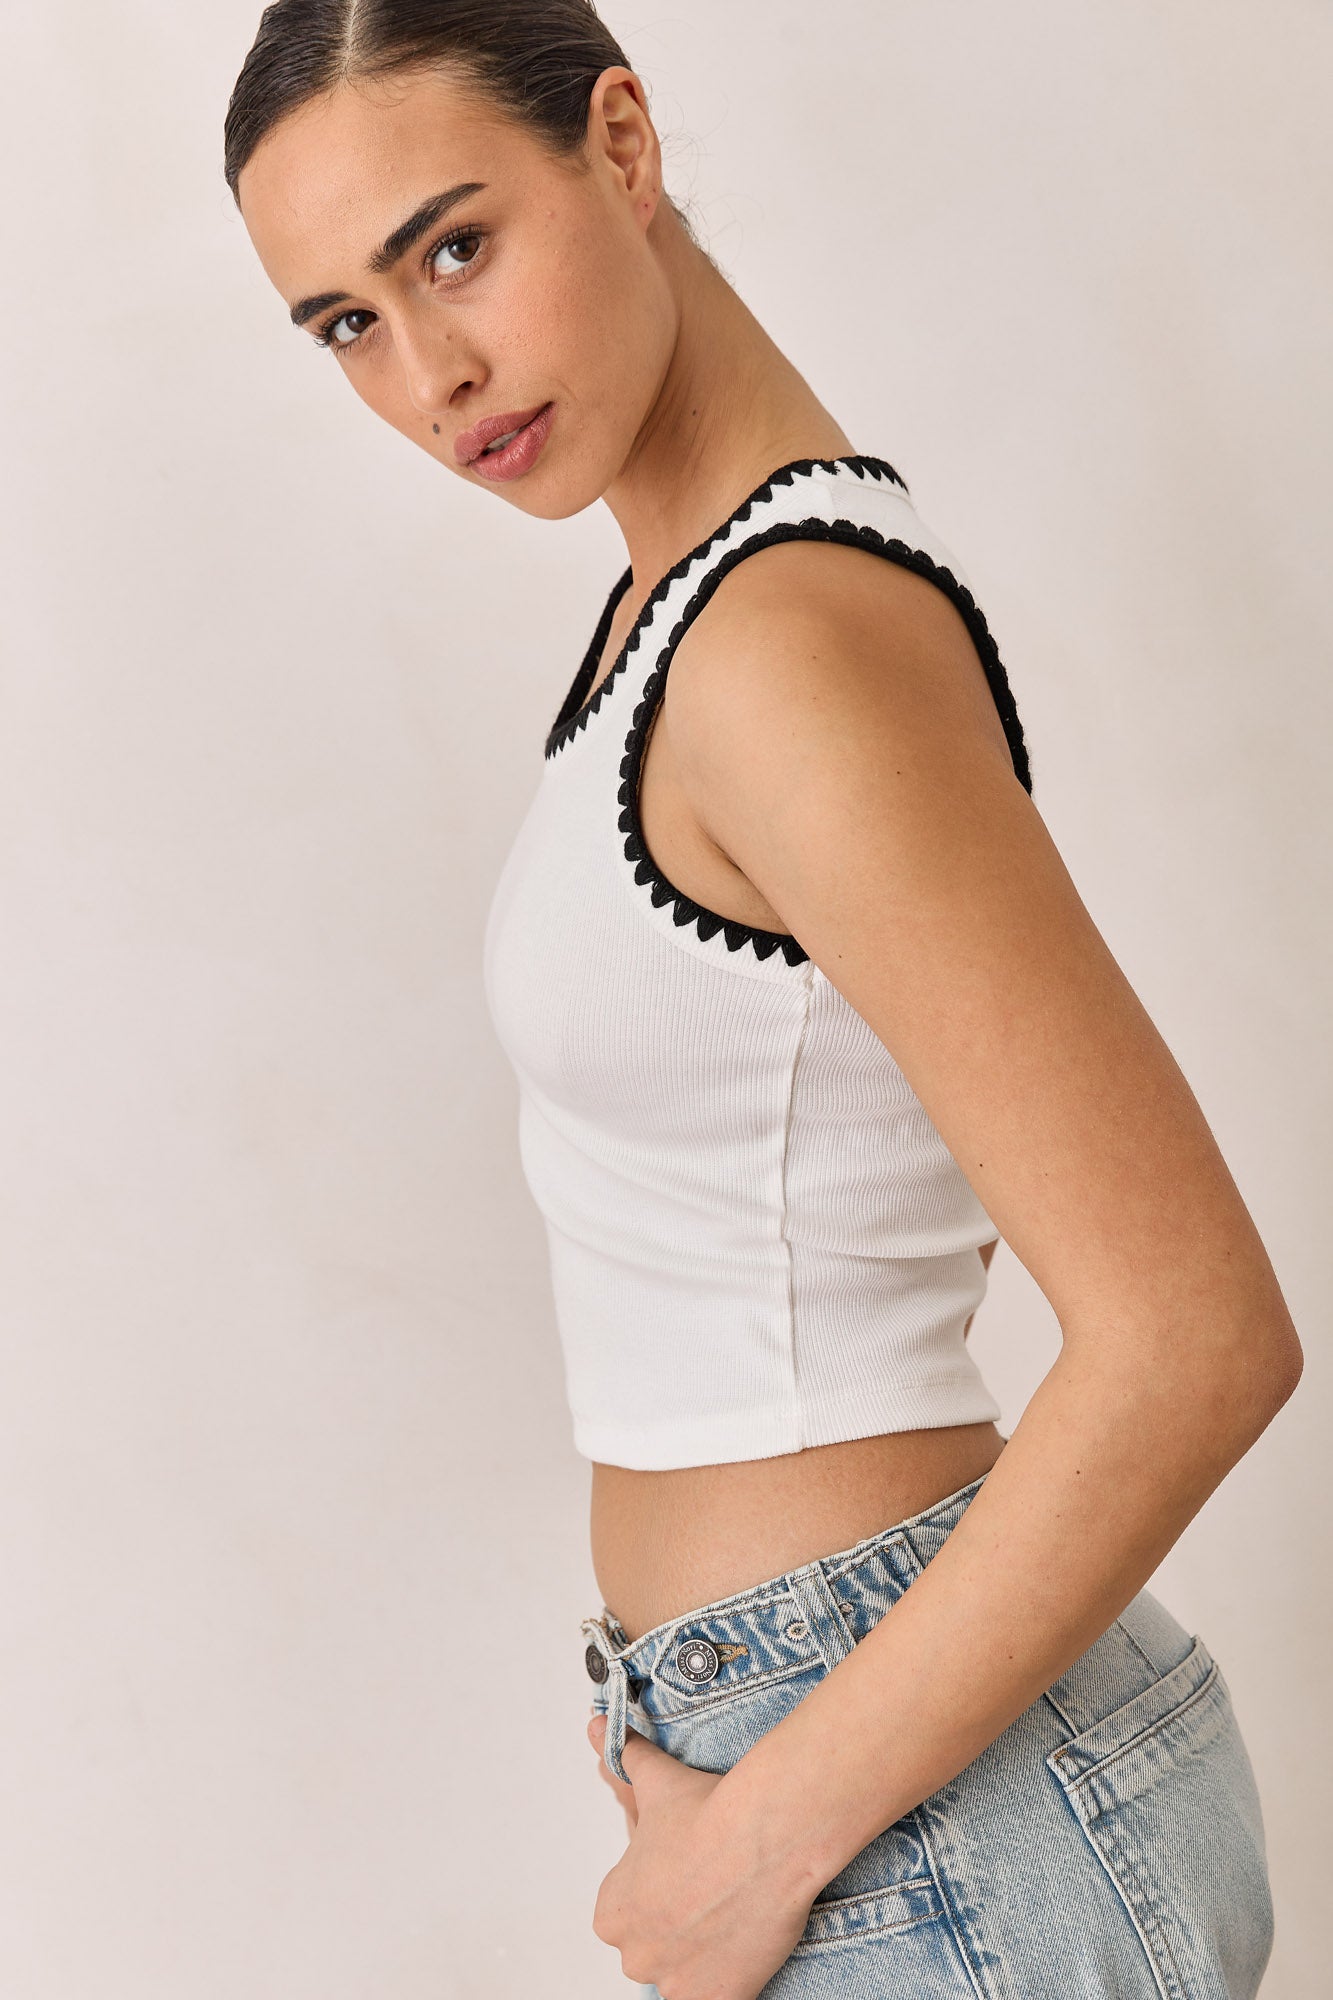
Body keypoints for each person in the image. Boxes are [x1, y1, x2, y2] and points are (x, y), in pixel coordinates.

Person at [224, 5, 1303, 1995]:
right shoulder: (681, 615)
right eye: (347, 323)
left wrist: (760, 1839)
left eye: (454, 246)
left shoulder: (783, 642)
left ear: (622, 147)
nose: (431, 372)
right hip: (861, 1773)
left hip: (911, 1810)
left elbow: (1193, 1335)